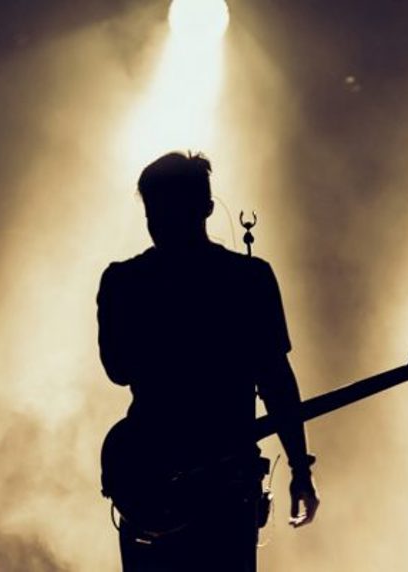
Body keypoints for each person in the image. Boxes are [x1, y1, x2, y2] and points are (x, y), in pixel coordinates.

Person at [97, 152, 319, 571]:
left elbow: (117, 368)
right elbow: (276, 383)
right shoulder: (249, 279)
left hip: (151, 480)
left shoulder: (122, 282)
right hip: (223, 488)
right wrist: (299, 468)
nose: (158, 222)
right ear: (209, 208)